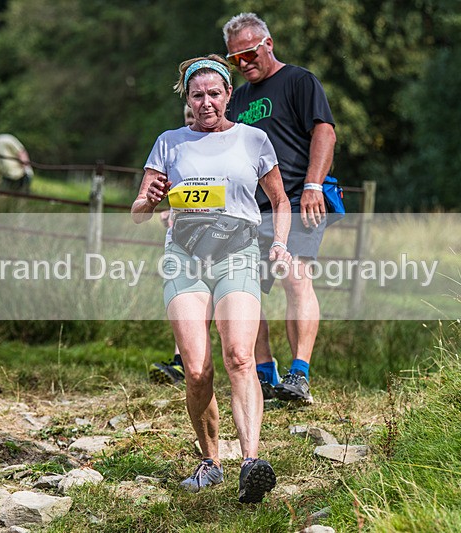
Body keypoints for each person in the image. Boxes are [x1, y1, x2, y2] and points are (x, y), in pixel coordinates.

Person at [132, 55, 291, 503]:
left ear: (228, 95)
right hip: (184, 259)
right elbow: (138, 212)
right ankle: (210, 462)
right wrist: (151, 200)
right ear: (188, 98)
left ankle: (251, 462)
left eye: (214, 94)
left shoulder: (253, 139)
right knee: (197, 368)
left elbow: (280, 200)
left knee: (239, 355)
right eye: (197, 95)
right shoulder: (170, 142)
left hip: (237, 254)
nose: (206, 102)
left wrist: (280, 243)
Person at [223, 12, 337, 403]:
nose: (243, 63)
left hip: (296, 199)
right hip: (247, 210)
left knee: (295, 277)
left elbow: (324, 131)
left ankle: (299, 374)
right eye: (234, 59)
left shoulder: (299, 81)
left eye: (249, 54)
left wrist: (313, 184)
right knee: (244, 290)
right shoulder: (237, 100)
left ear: (268, 44)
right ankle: (265, 373)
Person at [148, 104, 196, 386]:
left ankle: (261, 367)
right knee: (184, 301)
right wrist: (168, 209)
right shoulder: (175, 147)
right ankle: (182, 363)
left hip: (223, 242)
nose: (192, 120)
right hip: (182, 240)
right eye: (188, 115)